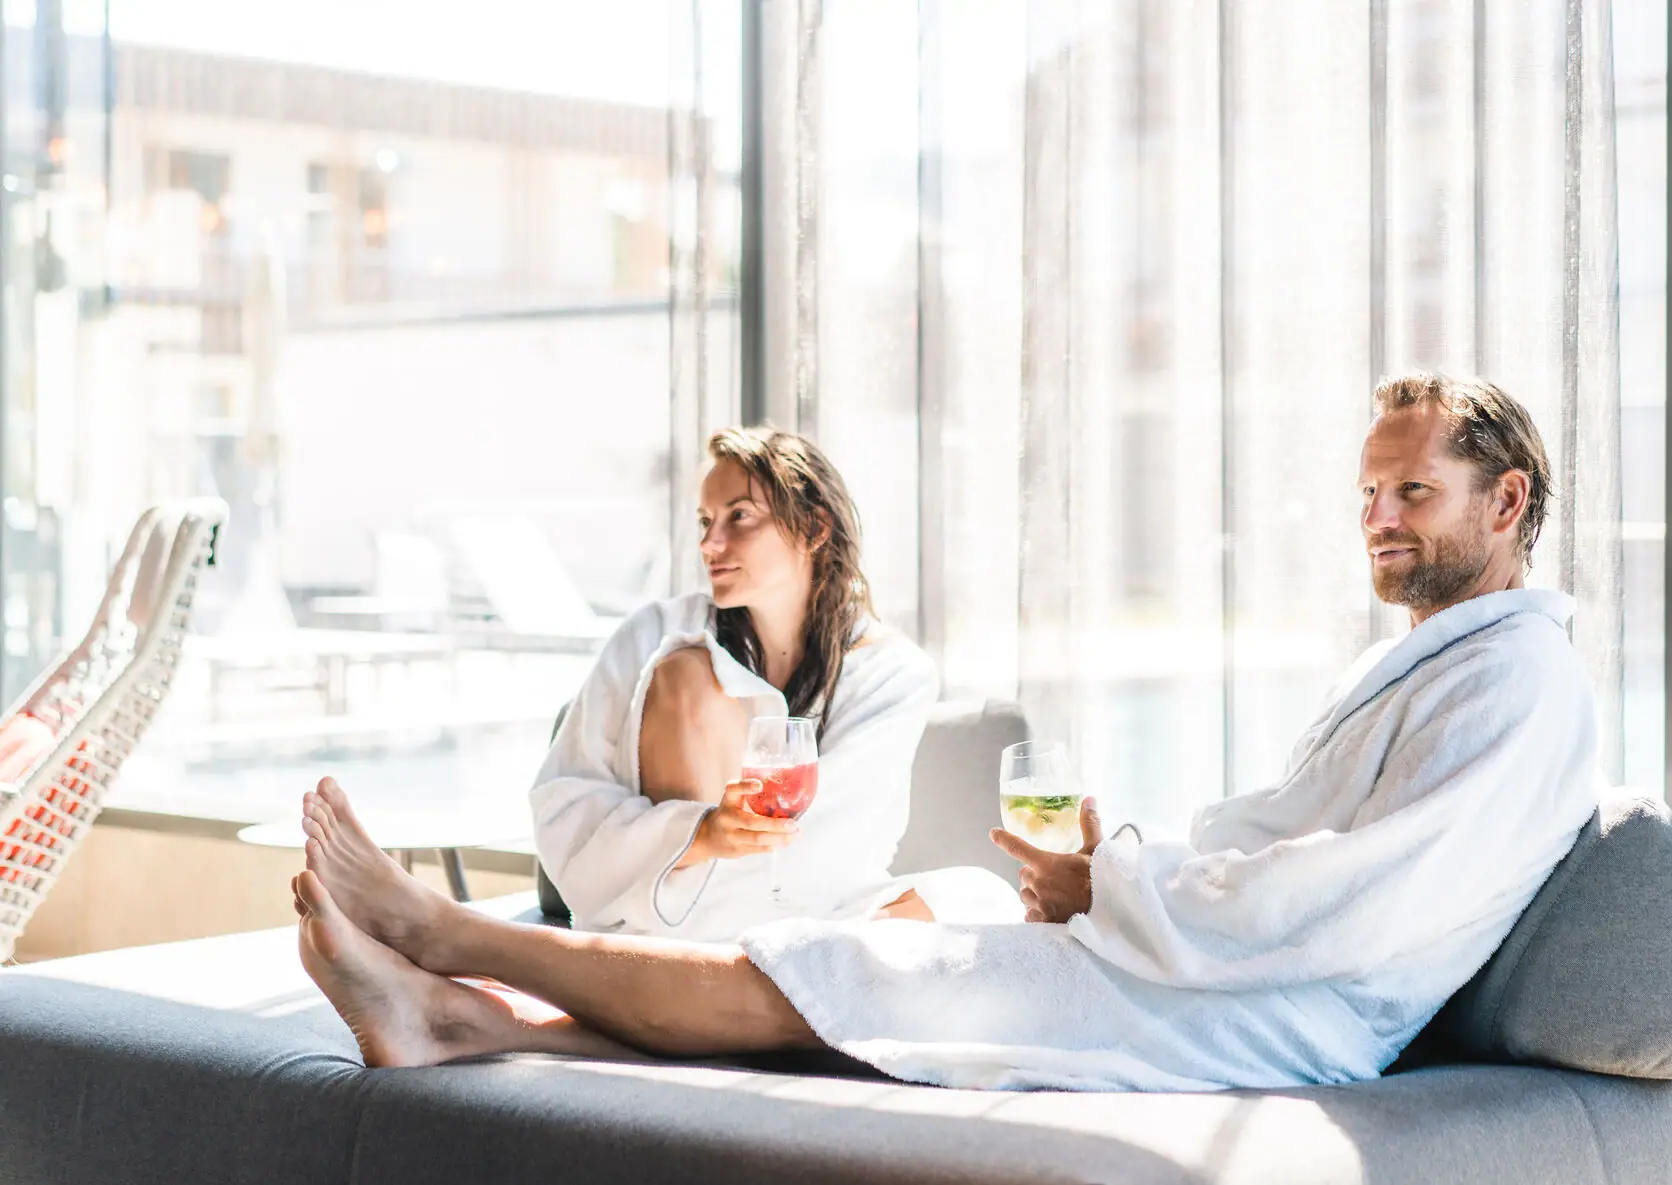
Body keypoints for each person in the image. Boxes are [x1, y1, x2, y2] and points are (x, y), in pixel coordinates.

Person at [292, 373, 1600, 1093]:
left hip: (1271, 1019)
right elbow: (1283, 849)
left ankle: (445, 936)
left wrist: (1122, 887)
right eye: (1370, 490)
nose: (1378, 515)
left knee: (841, 972)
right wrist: (1116, 872)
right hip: (1229, 975)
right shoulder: (1435, 665)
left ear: (1510, 502)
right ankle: (469, 1028)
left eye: (1413, 490)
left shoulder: (1519, 687)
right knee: (851, 982)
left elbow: (1353, 899)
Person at [532, 423, 1019, 940]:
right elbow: (566, 803)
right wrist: (699, 834)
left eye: (739, 516)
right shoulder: (654, 635)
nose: (709, 542)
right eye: (705, 520)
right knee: (686, 668)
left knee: (980, 896)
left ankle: (751, 967)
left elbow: (835, 841)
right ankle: (722, 961)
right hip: (671, 913)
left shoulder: (894, 671)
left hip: (817, 912)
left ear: (813, 529)